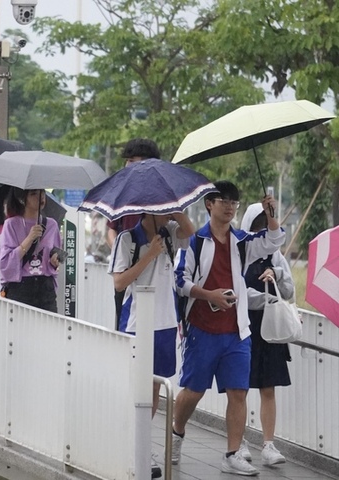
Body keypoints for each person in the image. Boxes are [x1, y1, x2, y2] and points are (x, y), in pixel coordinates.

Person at [172, 181, 285, 476]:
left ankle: (232, 453)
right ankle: (176, 431)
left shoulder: (242, 241)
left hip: (237, 332)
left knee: (238, 392)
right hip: (202, 330)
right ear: (209, 204)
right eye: (223, 200)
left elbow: (273, 240)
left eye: (234, 201)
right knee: (193, 391)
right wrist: (209, 295)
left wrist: (271, 212)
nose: (230, 206)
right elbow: (180, 281)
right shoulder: (196, 241)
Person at [108, 211, 194, 478]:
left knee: (155, 390)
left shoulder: (169, 231)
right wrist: (149, 255)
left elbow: (190, 231)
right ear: (149, 208)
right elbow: (120, 281)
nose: (168, 210)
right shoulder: (127, 239)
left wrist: (178, 212)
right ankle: (128, 445)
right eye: (164, 206)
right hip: (136, 322)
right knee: (135, 388)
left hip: (165, 322)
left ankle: (143, 445)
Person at [235, 203, 293, 466]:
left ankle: (268, 444)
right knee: (241, 387)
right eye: (256, 225)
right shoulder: (239, 253)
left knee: (268, 386)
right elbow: (238, 294)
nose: (260, 232)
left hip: (270, 329)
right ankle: (239, 441)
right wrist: (266, 298)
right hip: (245, 325)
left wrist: (277, 274)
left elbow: (290, 291)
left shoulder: (276, 255)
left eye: (264, 225)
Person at [107, 138, 162, 329]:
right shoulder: (120, 194)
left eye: (134, 161)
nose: (129, 165)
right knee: (125, 324)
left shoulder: (160, 196)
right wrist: (119, 253)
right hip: (127, 269)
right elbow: (111, 229)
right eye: (128, 161)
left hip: (154, 270)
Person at [0, 188, 62, 312]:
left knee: (49, 330)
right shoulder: (11, 225)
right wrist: (29, 239)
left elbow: (57, 254)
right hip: (20, 288)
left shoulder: (52, 225)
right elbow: (5, 263)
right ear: (22, 198)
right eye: (34, 194)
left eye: (42, 193)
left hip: (45, 288)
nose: (40, 197)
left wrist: (55, 261)